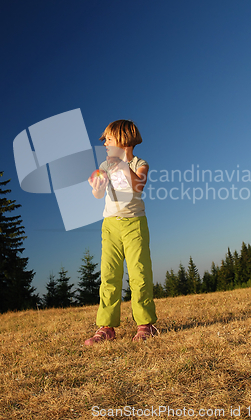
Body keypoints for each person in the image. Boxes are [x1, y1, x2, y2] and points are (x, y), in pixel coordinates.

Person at [84, 119, 158, 345]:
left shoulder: (139, 163)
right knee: (109, 276)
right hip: (110, 226)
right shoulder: (106, 165)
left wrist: (122, 166)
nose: (105, 143)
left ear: (123, 139)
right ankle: (106, 327)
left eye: (108, 139)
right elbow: (98, 193)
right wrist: (96, 186)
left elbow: (138, 186)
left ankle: (146, 324)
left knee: (139, 273)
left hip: (134, 224)